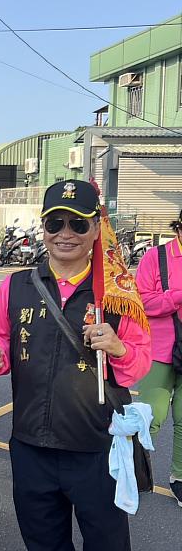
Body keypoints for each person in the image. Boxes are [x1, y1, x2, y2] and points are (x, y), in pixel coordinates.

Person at [0, 179, 152, 551]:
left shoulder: (118, 293)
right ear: (43, 228)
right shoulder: (16, 286)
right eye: (54, 223)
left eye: (78, 224)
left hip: (95, 450)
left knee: (108, 543)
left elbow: (139, 365)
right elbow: (2, 350)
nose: (65, 234)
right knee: (42, 543)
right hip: (30, 447)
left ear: (96, 229)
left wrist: (119, 349)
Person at [135, 208, 182, 506]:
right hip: (161, 349)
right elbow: (142, 299)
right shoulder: (157, 257)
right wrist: (177, 296)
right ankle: (129, 469)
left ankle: (179, 477)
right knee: (150, 416)